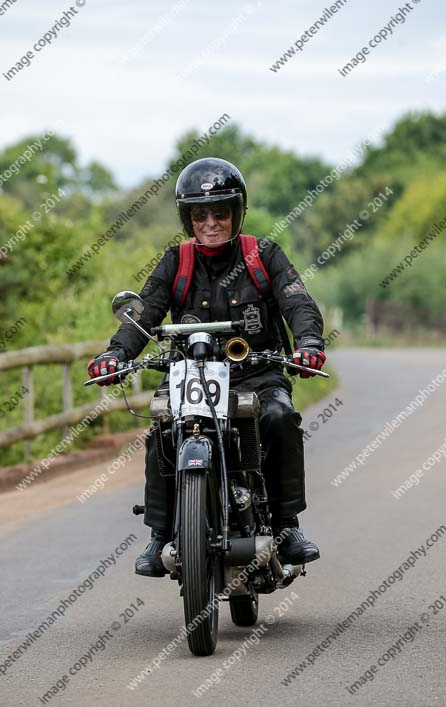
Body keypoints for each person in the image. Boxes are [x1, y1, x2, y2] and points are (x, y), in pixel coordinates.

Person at [88, 157, 326, 577]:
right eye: (201, 214)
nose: (211, 222)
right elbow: (143, 315)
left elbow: (297, 301)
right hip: (189, 375)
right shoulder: (175, 263)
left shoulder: (263, 255)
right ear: (188, 218)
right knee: (162, 426)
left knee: (279, 416)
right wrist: (116, 354)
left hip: (257, 371)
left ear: (236, 213)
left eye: (220, 212)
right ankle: (161, 534)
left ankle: (287, 526)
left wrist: (308, 343)